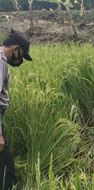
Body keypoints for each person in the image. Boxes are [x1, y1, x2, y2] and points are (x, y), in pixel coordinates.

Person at [0, 29, 33, 190]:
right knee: (6, 168)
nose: (20, 60)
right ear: (15, 49)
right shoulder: (0, 62)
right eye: (21, 55)